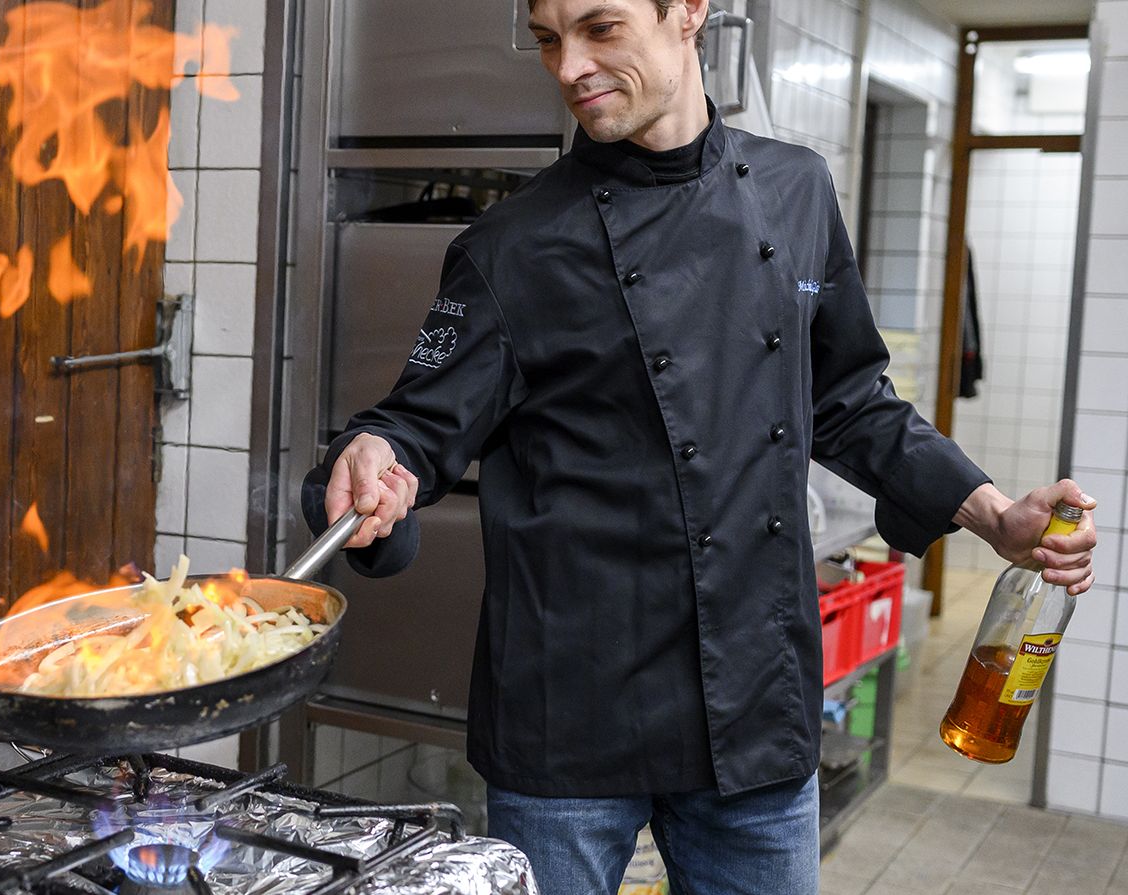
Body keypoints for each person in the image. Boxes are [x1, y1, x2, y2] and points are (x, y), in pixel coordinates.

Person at [302, 0, 1101, 891]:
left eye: (600, 28)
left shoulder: (796, 190)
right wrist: (372, 451)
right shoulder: (512, 244)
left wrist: (989, 510)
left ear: (689, 11)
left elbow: (847, 399)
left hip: (755, 703)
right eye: (548, 39)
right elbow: (415, 424)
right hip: (570, 712)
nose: (569, 66)